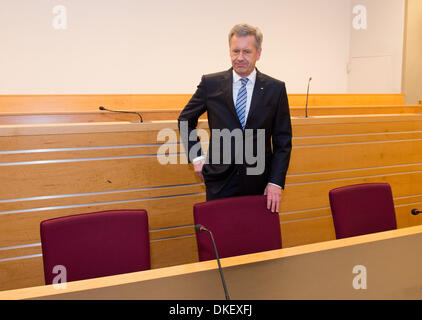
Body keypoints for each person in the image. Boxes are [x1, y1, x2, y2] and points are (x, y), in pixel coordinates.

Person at [178, 23, 292, 213]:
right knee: (220, 236)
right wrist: (196, 157)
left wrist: (275, 182)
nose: (240, 58)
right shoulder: (211, 84)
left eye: (246, 52)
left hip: (260, 183)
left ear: (259, 53)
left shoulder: (276, 89)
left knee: (257, 239)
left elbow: (283, 141)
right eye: (235, 51)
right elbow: (185, 120)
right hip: (219, 181)